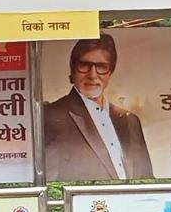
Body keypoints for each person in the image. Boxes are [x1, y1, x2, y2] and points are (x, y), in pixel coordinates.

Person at [44, 34, 153, 182]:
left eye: (101, 67)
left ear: (110, 72)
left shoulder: (131, 121)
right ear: (72, 69)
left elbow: (146, 180)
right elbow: (51, 182)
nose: (93, 75)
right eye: (84, 65)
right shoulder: (51, 116)